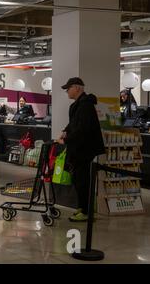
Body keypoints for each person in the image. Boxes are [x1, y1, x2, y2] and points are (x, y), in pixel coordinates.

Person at [57, 77, 105, 222]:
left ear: (77, 88)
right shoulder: (78, 105)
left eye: (68, 89)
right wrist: (65, 131)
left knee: (83, 180)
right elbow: (73, 124)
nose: (67, 92)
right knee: (78, 180)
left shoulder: (86, 105)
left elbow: (82, 129)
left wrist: (66, 139)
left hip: (84, 149)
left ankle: (85, 211)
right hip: (78, 148)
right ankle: (82, 207)